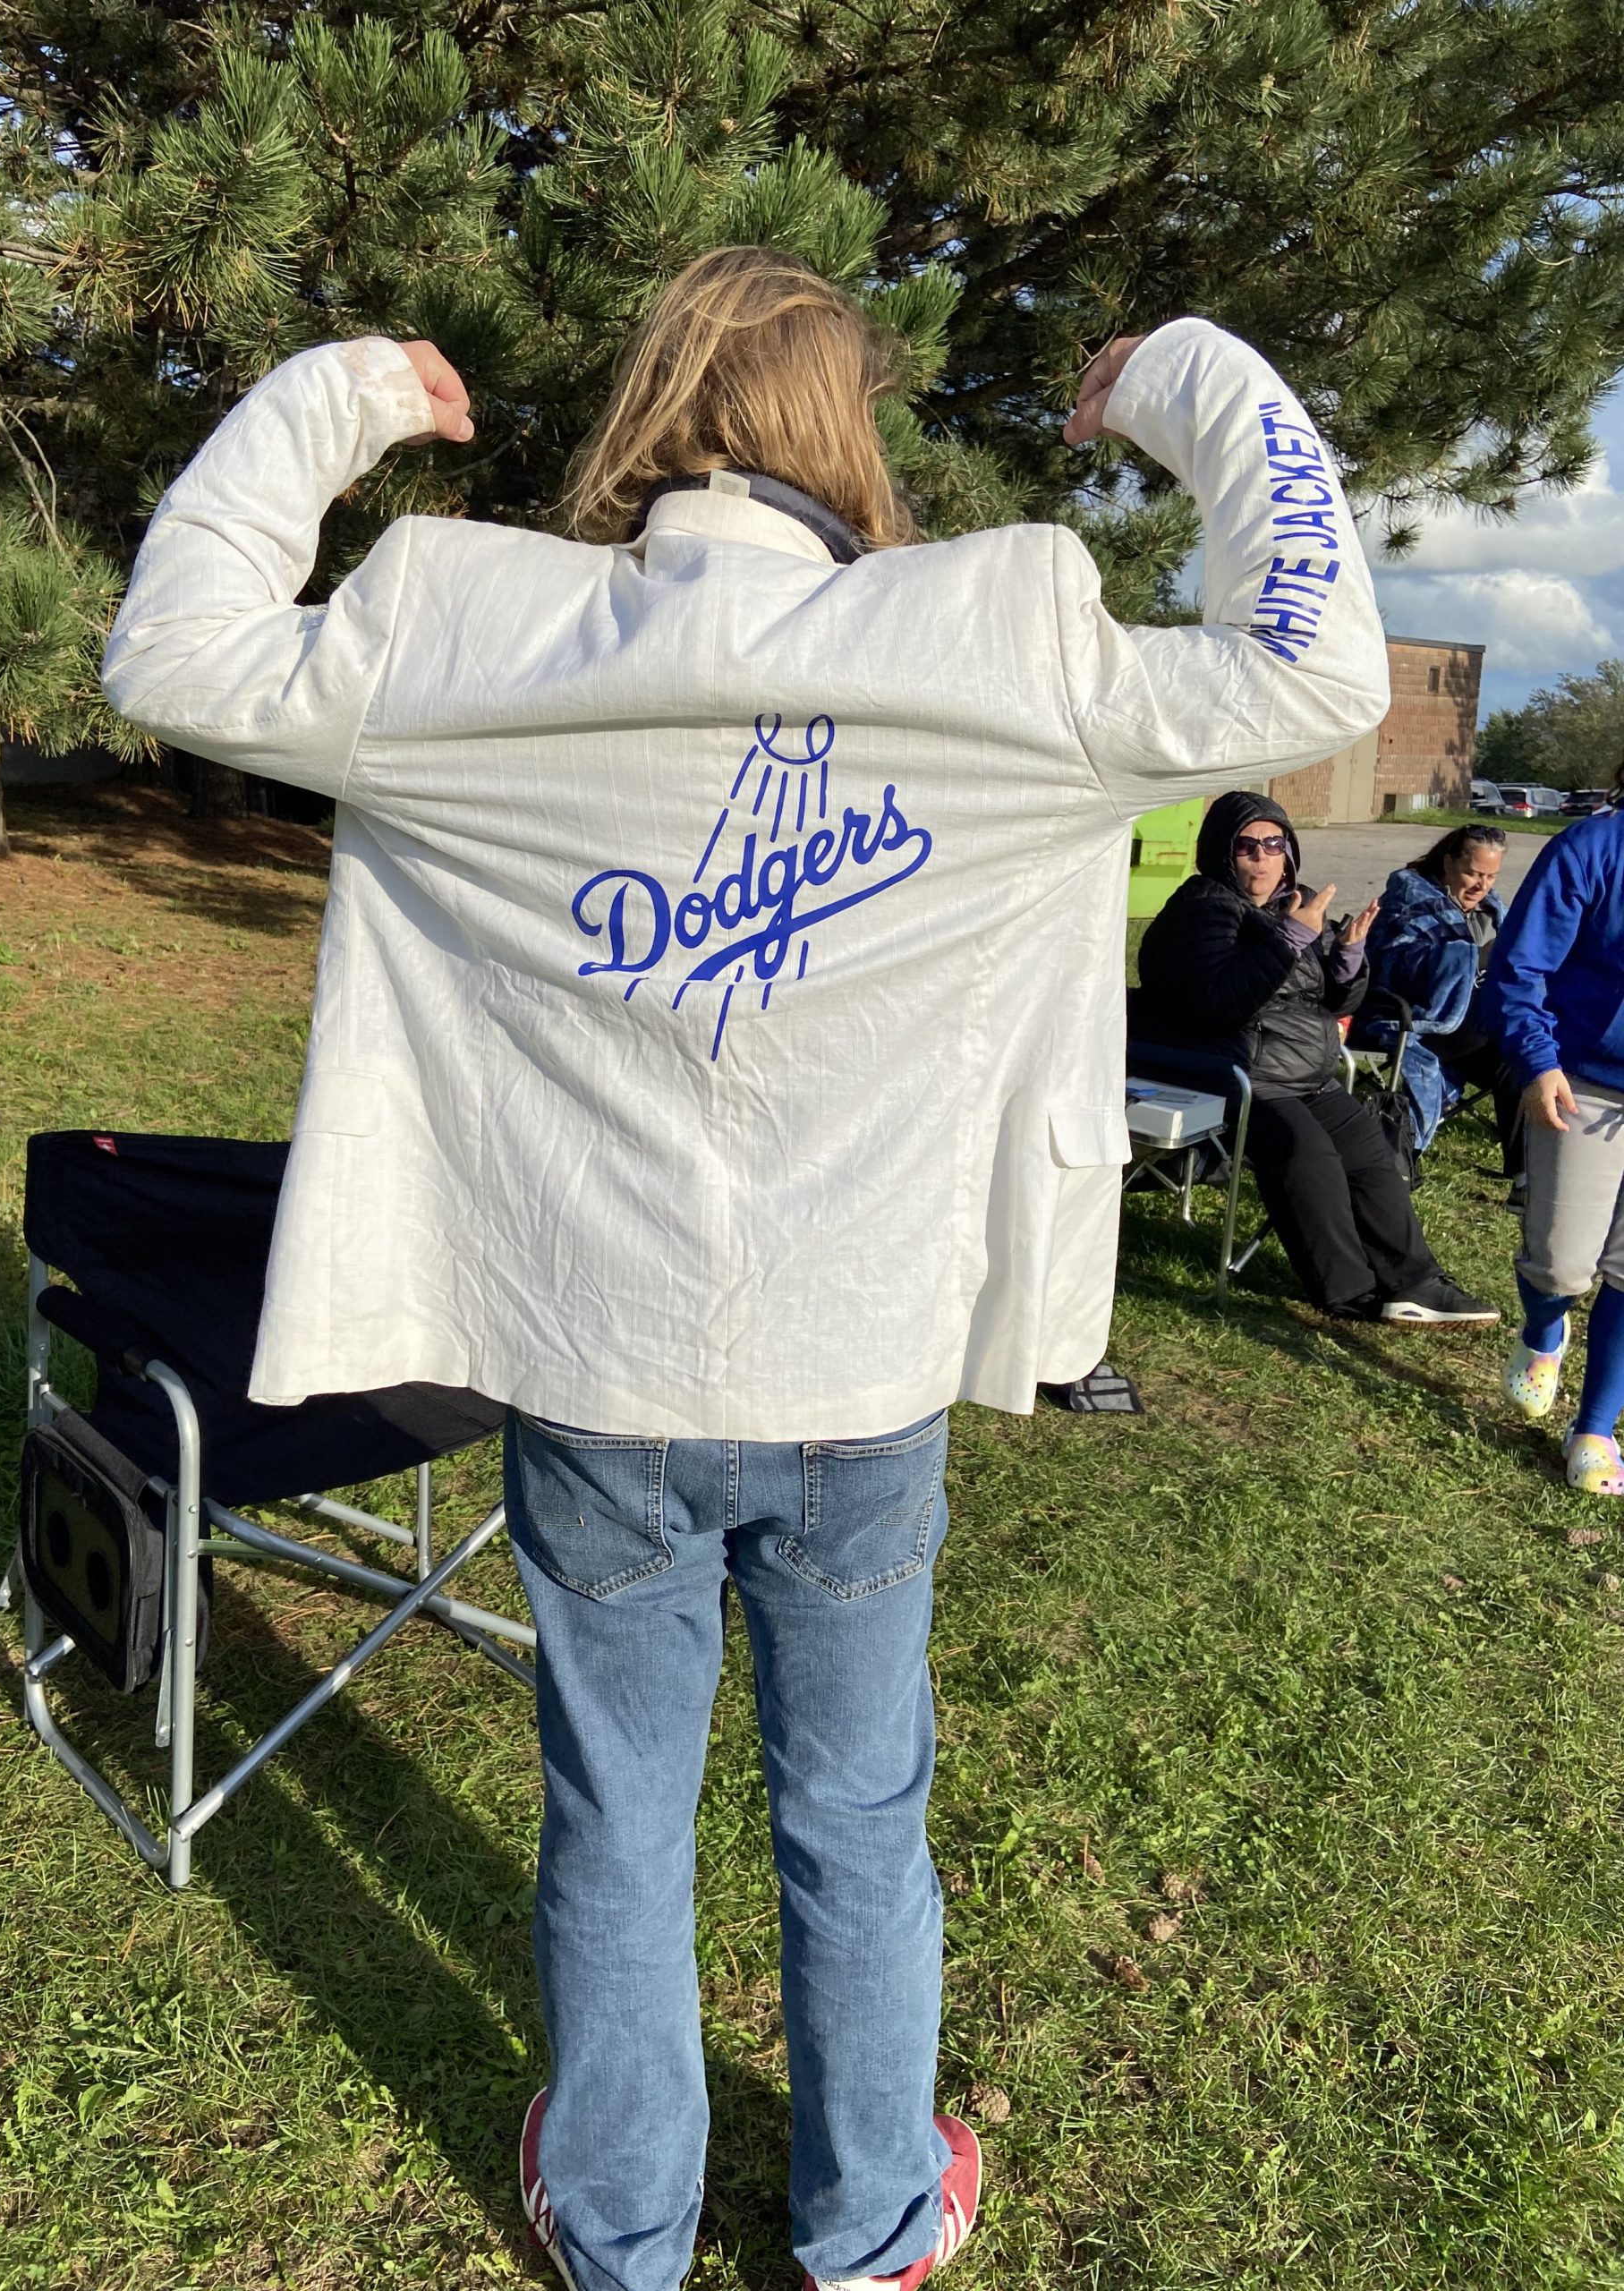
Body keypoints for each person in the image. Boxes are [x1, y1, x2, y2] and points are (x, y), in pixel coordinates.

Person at [101, 250, 1390, 2291]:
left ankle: (616, 2227)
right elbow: (1322, 670)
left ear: (645, 413)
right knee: (855, 1810)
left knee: (616, 1812)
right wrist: (1187, 379)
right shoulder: (996, 638)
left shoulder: (470, 630)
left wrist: (337, 400)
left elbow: (167, 649)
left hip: (595, 1365)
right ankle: (870, 2218)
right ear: (839, 433)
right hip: (855, 1372)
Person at [1135, 792, 1498, 1324]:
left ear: (1289, 851)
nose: (1262, 858)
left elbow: (1334, 1002)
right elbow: (1222, 1002)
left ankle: (1414, 1282)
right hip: (1231, 1072)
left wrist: (1348, 957)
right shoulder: (1201, 912)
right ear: (1221, 851)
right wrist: (1291, 937)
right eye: (1247, 846)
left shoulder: (1296, 902)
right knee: (1309, 1155)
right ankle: (1348, 1291)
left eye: (1274, 844)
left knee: (1371, 1154)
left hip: (1306, 1072)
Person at [1484, 771, 1624, 1495]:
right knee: (1565, 1267)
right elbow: (1519, 966)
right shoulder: (1593, 847)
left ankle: (1595, 1428)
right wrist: (1539, 1062)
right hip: (1585, 1085)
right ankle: (1545, 1329)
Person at [1356, 823, 1521, 1183]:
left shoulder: (1486, 909)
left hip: (1464, 1024)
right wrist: (1473, 959)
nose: (1482, 886)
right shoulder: (1409, 901)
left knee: (1523, 1054)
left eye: (1491, 876)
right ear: (1447, 863)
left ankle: (1524, 1177)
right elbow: (1393, 968)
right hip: (1409, 1018)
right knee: (1512, 1047)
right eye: (1473, 874)